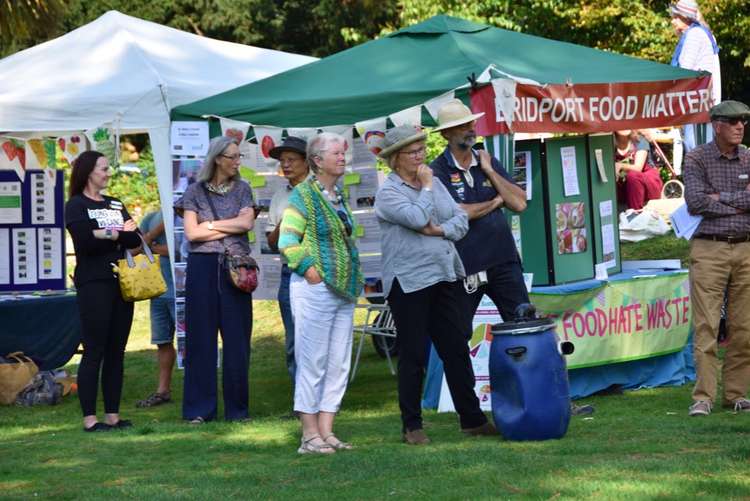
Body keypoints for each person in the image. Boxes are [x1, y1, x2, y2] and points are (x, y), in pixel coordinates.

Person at [431, 99, 594, 417]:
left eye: (471, 123)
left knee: (529, 326)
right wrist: (495, 203)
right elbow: (457, 214)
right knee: (457, 337)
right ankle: (471, 414)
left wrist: (490, 170)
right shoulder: (437, 170)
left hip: (503, 259)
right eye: (463, 125)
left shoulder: (486, 160)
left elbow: (519, 203)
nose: (471, 128)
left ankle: (553, 399)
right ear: (447, 133)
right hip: (464, 265)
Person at [375, 125, 497, 445]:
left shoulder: (436, 184)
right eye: (412, 152)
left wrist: (439, 230)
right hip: (410, 282)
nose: (419, 156)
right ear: (395, 159)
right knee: (413, 355)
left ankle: (472, 419)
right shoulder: (389, 192)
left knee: (456, 348)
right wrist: (427, 190)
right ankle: (411, 426)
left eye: (420, 150)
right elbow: (416, 219)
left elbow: (459, 220)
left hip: (444, 275)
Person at [279, 132, 363, 454]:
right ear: (317, 160)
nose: (343, 157)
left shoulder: (336, 195)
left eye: (343, 152)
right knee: (312, 361)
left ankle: (327, 432)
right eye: (336, 153)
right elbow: (287, 242)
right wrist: (310, 272)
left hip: (342, 290)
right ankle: (308, 435)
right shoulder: (303, 195)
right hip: (315, 289)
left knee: (338, 363)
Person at [175, 136, 256, 424]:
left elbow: (246, 224)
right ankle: (199, 409)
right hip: (203, 268)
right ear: (218, 159)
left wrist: (208, 224)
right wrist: (227, 225)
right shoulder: (194, 191)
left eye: (239, 156)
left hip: (235, 269)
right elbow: (192, 235)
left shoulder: (244, 189)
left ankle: (238, 411)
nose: (237, 161)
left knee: (237, 342)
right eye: (233, 156)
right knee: (200, 339)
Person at [65, 150, 142, 432]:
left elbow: (135, 237)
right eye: (104, 169)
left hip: (121, 282)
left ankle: (113, 415)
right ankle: (90, 419)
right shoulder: (75, 205)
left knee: (116, 350)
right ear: (88, 172)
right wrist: (117, 233)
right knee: (95, 349)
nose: (108, 173)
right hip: (93, 283)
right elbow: (85, 242)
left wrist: (107, 233)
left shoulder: (114, 203)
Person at [683, 100, 750, 416]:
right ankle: (703, 398)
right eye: (734, 121)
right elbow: (695, 202)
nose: (740, 126)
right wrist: (740, 203)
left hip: (745, 247)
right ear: (717, 125)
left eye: (744, 121)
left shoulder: (749, 157)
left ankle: (735, 395)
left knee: (744, 327)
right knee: (706, 325)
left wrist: (720, 199)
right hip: (708, 249)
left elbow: (712, 201)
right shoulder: (697, 158)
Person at [265, 136, 310, 411]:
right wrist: (287, 221)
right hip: (289, 272)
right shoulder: (281, 196)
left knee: (321, 339)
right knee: (293, 340)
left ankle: (325, 400)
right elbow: (271, 242)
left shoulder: (319, 190)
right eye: (282, 161)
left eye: (291, 159)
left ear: (307, 161)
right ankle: (301, 401)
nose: (286, 165)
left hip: (319, 270)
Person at [135, 210, 176, 408]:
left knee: (190, 342)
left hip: (181, 291)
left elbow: (182, 249)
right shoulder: (151, 218)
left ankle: (197, 388)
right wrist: (155, 234)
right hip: (157, 291)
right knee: (162, 341)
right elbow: (136, 248)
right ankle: (163, 390)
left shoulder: (186, 214)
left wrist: (153, 247)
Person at [670, 0, 721, 151]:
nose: (672, 21)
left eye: (675, 17)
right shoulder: (701, 33)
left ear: (684, 18)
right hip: (702, 102)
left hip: (698, 103)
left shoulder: (693, 35)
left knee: (696, 150)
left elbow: (684, 72)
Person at [614, 130, 664, 210]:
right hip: (623, 185)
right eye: (620, 123)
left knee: (633, 176)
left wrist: (619, 165)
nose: (624, 126)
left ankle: (635, 213)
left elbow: (638, 167)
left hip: (646, 181)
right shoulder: (609, 142)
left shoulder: (639, 140)